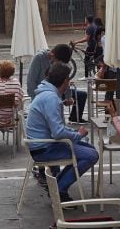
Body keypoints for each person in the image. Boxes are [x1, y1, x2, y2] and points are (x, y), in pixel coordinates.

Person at [26, 62, 97, 203]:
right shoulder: (51, 98)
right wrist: (78, 135)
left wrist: (73, 133)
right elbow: (58, 132)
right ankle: (59, 189)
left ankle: (57, 185)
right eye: (69, 81)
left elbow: (57, 128)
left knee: (90, 149)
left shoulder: (47, 94)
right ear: (65, 81)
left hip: (42, 144)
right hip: (44, 148)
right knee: (91, 155)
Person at [27, 43, 87, 120]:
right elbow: (31, 81)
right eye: (57, 62)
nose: (57, 64)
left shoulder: (62, 60)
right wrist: (36, 99)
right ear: (52, 55)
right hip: (42, 95)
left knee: (81, 95)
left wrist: (68, 96)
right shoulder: (39, 58)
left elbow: (66, 79)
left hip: (55, 94)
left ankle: (75, 118)